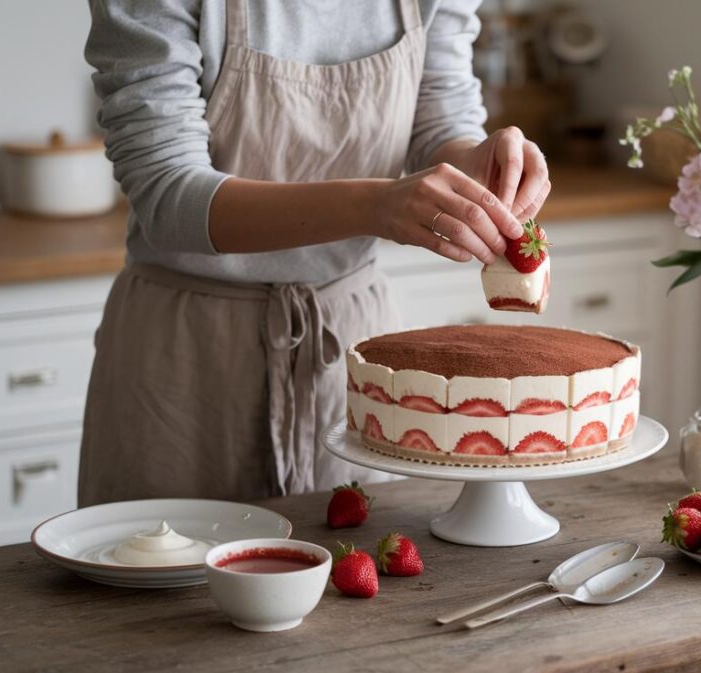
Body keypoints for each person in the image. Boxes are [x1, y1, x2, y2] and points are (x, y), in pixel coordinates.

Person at [78, 0, 549, 506]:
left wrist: (479, 162)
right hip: (186, 363)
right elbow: (167, 196)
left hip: (351, 351)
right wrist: (375, 206)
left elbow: (437, 123)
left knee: (366, 571)